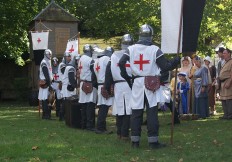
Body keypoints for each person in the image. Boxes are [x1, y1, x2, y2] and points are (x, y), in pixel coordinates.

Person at [119, 24, 180, 149]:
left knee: (136, 112)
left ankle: (135, 142)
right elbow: (165, 67)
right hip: (151, 83)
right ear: (151, 36)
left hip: (137, 83)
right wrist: (175, 61)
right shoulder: (154, 49)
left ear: (139, 35)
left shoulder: (131, 49)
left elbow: (121, 62)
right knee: (152, 113)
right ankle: (153, 142)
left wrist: (127, 77)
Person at [104, 34, 133, 140]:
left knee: (120, 109)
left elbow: (108, 73)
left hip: (117, 85)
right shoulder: (132, 54)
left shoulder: (113, 56)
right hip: (128, 84)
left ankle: (119, 133)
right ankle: (124, 134)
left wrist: (107, 86)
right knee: (127, 110)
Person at [94, 46, 114, 134]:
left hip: (99, 85)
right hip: (105, 85)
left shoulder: (96, 61)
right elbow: (111, 72)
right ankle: (100, 128)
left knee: (102, 106)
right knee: (104, 107)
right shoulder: (107, 59)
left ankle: (101, 127)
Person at [78, 44, 97, 131]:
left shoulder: (80, 59)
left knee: (84, 105)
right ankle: (90, 125)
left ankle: (83, 124)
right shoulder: (90, 60)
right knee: (90, 105)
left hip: (82, 83)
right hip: (89, 84)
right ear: (90, 51)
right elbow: (94, 73)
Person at [60, 52, 77, 120]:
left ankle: (63, 116)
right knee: (67, 102)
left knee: (65, 102)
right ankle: (63, 116)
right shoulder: (71, 68)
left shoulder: (69, 67)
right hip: (68, 87)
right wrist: (75, 86)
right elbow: (71, 79)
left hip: (66, 86)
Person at [38, 49, 53, 119]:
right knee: (45, 99)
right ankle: (46, 115)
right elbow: (46, 74)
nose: (50, 56)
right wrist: (49, 85)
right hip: (45, 83)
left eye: (50, 54)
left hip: (47, 82)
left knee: (47, 99)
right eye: (48, 54)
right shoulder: (44, 62)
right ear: (45, 54)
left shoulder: (48, 62)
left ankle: (46, 115)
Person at [218, 48, 232, 120]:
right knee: (223, 99)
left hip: (228, 82)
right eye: (223, 53)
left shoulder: (231, 62)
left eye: (225, 53)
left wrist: (229, 82)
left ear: (229, 54)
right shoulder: (225, 62)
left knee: (229, 99)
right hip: (222, 83)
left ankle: (230, 115)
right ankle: (225, 115)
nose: (223, 55)